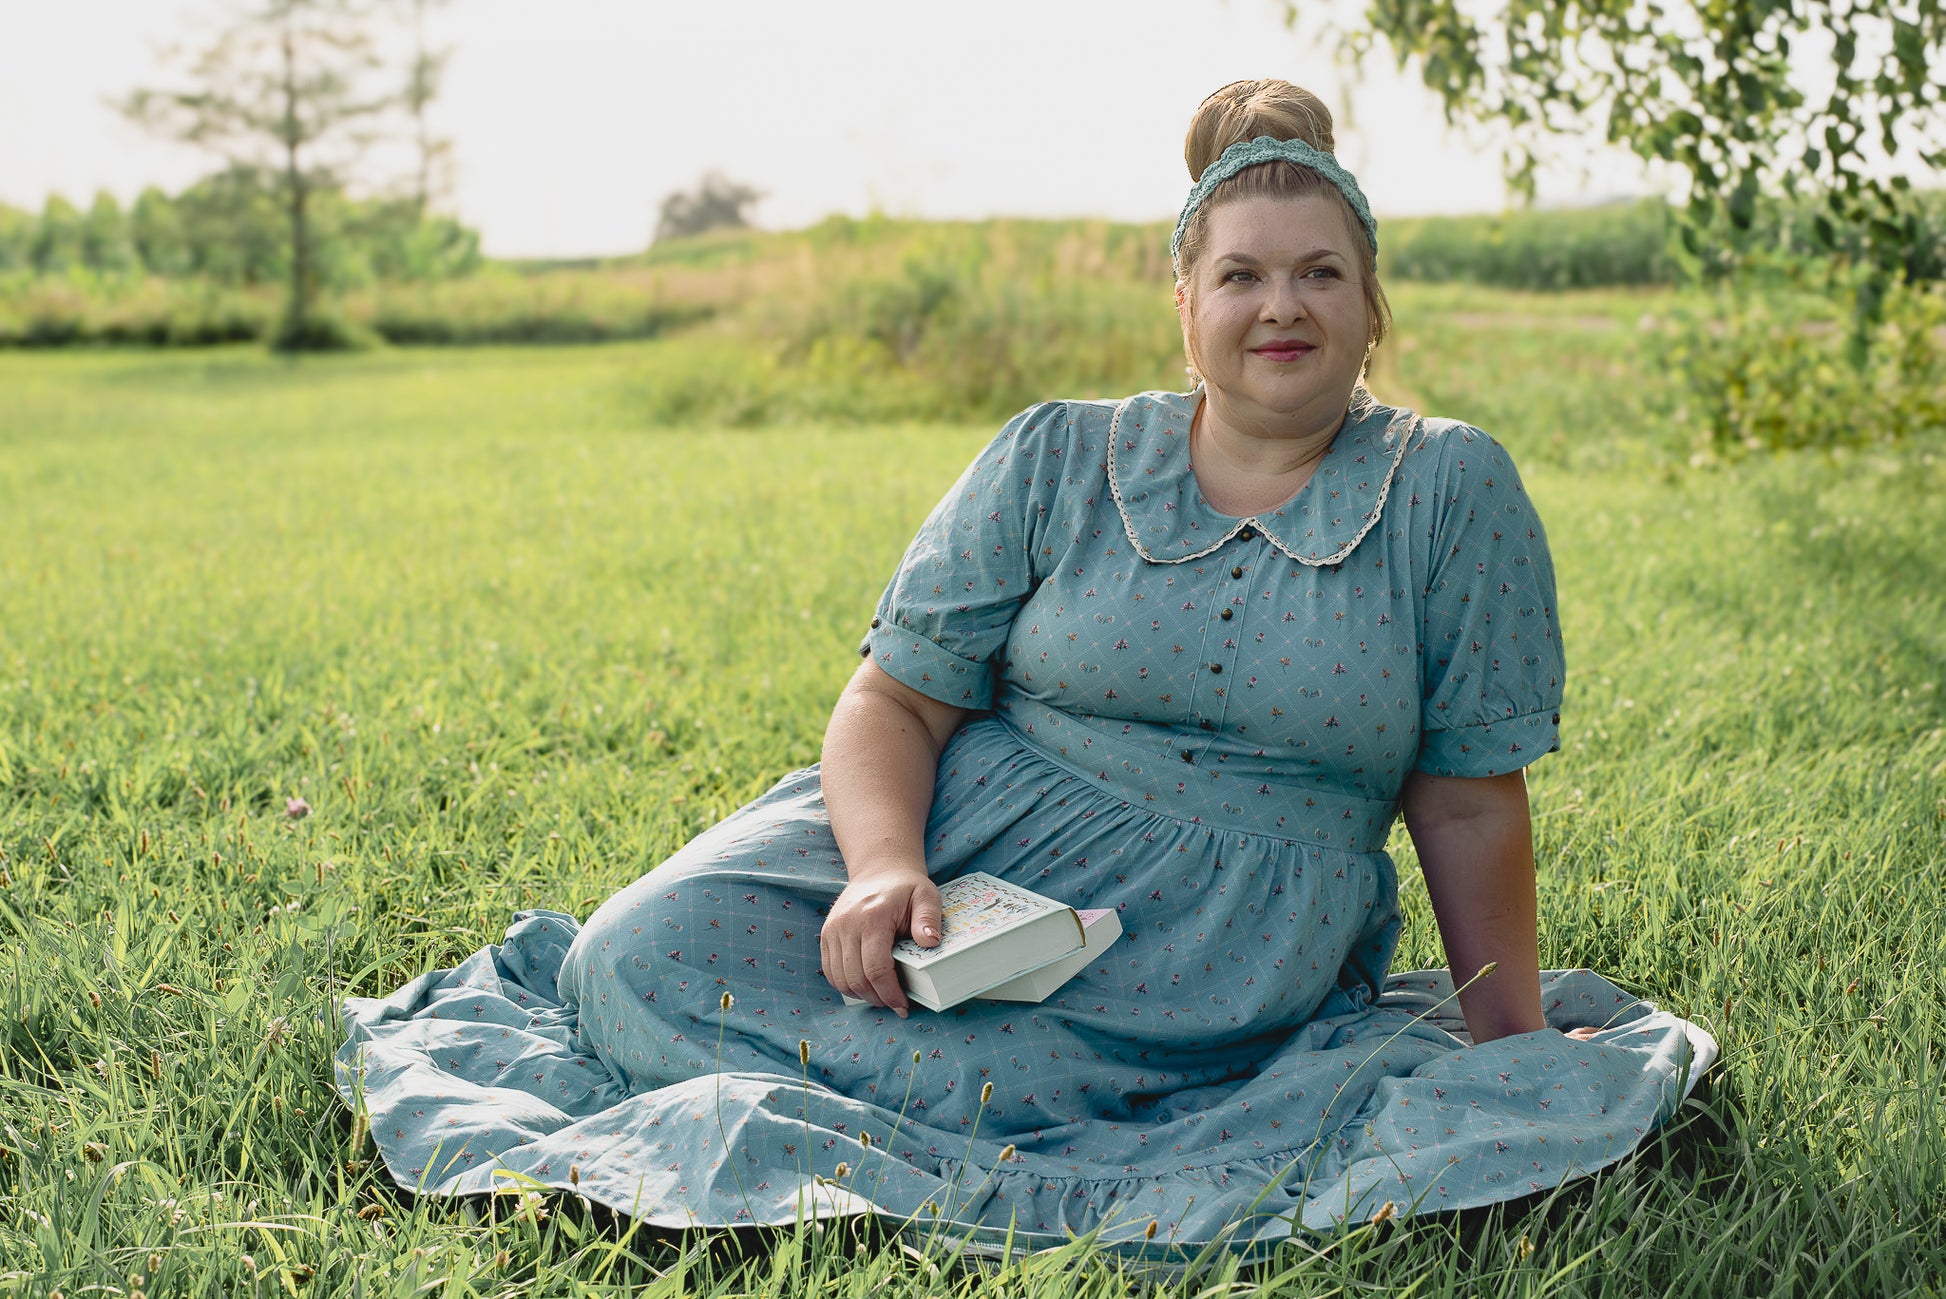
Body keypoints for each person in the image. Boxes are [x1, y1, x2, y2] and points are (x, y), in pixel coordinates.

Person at [337, 79, 1713, 1261]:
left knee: (1006, 1094)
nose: (1277, 306)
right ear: (1185, 304)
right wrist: (883, 867)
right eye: (1239, 274)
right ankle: (864, 1040)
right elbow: (895, 695)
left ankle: (961, 1119)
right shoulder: (1058, 454)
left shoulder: (1447, 488)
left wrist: (1509, 1039)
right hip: (960, 838)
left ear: (1372, 306)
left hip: (1209, 937)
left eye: (1318, 273)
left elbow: (1467, 799)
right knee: (634, 959)